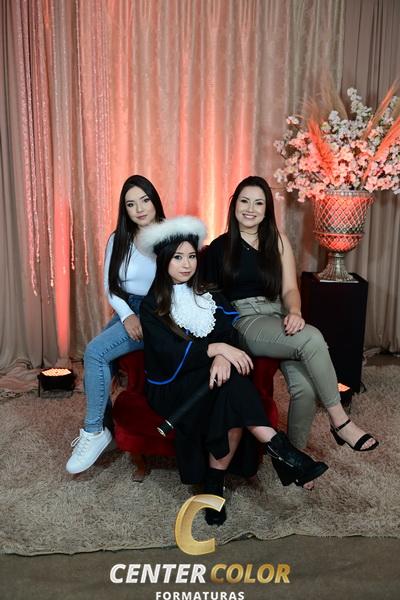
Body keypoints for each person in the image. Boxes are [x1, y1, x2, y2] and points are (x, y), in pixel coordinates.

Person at [137, 216, 328, 526]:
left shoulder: (209, 295)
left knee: (229, 391)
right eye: (177, 257)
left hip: (216, 376)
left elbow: (229, 333)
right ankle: (282, 451)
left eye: (191, 256)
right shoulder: (152, 304)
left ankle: (215, 486)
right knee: (232, 390)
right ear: (163, 260)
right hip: (175, 385)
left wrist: (223, 356)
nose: (186, 264)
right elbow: (167, 353)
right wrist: (216, 350)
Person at [202, 175, 378, 488]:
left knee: (305, 388)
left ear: (267, 209)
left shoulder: (277, 241)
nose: (251, 209)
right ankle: (340, 421)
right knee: (312, 337)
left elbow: (289, 289)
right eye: (245, 201)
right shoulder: (219, 247)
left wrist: (294, 311)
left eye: (259, 203)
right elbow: (210, 299)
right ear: (234, 205)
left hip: (279, 315)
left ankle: (295, 460)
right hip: (246, 320)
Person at [66, 175, 166, 474]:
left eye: (145, 200)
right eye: (131, 204)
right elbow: (111, 285)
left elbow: (177, 286)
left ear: (155, 200)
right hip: (126, 307)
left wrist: (143, 316)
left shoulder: (169, 237)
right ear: (125, 209)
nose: (139, 209)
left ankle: (94, 431)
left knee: (95, 352)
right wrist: (126, 315)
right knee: (98, 358)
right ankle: (105, 427)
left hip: (155, 312)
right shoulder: (118, 238)